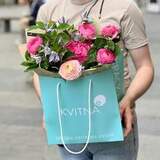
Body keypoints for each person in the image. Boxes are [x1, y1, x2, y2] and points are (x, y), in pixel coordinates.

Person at [33, 0, 154, 159]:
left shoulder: (124, 8)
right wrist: (50, 107)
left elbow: (145, 67)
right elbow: (38, 72)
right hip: (69, 127)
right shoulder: (48, 10)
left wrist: (128, 100)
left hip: (114, 126)